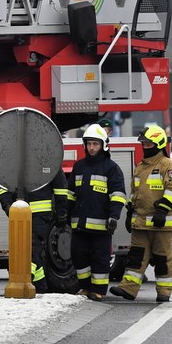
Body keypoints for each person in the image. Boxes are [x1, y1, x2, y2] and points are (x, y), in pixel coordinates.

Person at [109, 124, 172, 302]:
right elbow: (136, 192)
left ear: (159, 144)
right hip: (140, 223)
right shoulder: (141, 166)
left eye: (149, 144)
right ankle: (129, 288)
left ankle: (164, 292)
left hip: (160, 223)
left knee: (162, 259)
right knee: (136, 257)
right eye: (144, 144)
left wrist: (162, 211)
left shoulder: (168, 166)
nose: (145, 147)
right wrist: (130, 211)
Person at [68, 124, 127, 301]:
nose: (92, 147)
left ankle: (99, 290)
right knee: (79, 256)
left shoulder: (111, 168)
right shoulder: (79, 167)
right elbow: (70, 193)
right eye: (89, 144)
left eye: (95, 144)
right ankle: (85, 287)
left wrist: (113, 216)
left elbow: (118, 195)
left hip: (101, 226)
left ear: (103, 145)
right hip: (79, 225)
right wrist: (64, 212)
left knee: (100, 258)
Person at [0, 168, 68, 294]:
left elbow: (60, 186)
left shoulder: (47, 160)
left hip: (40, 215)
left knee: (31, 249)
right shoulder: (15, 161)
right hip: (21, 215)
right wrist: (7, 207)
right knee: (29, 250)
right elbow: (3, 187)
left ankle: (24, 282)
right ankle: (40, 286)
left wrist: (62, 211)